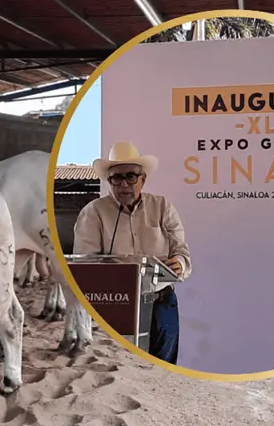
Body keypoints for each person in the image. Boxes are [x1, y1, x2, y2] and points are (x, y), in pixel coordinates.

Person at [73, 141, 192, 365]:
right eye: (116, 178)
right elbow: (86, 265)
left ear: (142, 179)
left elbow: (181, 250)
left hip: (161, 302)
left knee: (163, 367)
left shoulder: (162, 207)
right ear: (109, 181)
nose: (124, 184)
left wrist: (179, 262)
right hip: (115, 305)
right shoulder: (93, 213)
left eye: (131, 176)